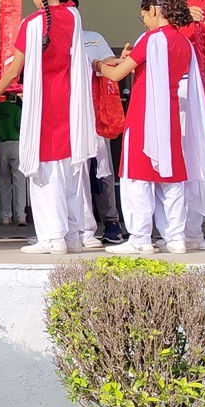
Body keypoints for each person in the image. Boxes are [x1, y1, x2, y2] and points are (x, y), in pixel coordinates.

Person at [0, 0, 97, 255]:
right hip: (70, 102)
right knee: (69, 171)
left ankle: (52, 238)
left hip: (45, 105)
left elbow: (14, 69)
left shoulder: (32, 24)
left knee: (46, 173)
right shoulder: (73, 16)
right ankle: (72, 236)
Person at [93, 0, 205, 255]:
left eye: (144, 17)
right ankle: (176, 237)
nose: (145, 23)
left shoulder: (150, 39)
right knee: (171, 178)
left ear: (154, 11)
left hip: (143, 114)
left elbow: (116, 74)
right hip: (170, 116)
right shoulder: (183, 43)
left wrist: (99, 65)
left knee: (137, 177)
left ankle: (141, 238)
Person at [172, 0, 205, 250]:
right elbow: (170, 40)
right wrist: (186, 19)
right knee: (192, 160)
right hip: (191, 91)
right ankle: (191, 230)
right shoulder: (179, 6)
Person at [81, 28, 124, 245]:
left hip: (96, 114)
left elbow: (109, 63)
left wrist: (119, 63)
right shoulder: (51, 41)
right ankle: (79, 226)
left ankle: (111, 222)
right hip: (68, 117)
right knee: (75, 173)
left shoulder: (93, 38)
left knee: (102, 170)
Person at [0, 96, 26, 227]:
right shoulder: (15, 109)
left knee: (4, 183)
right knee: (19, 182)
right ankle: (21, 216)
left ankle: (6, 217)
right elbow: (21, 126)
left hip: (0, 145)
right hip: (15, 144)